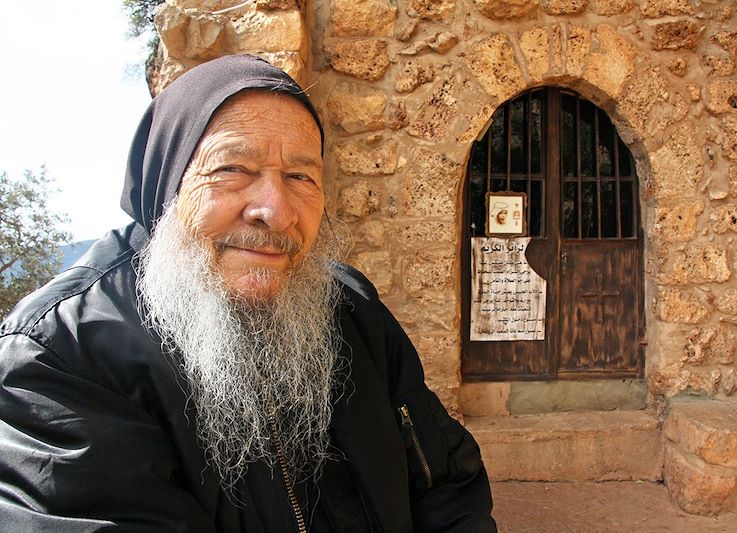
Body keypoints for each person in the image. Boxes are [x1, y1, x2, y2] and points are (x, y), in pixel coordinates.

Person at [0, 55, 495, 532]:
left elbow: (447, 486)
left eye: (300, 176)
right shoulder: (60, 352)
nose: (275, 211)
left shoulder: (351, 309)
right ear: (166, 182)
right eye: (232, 170)